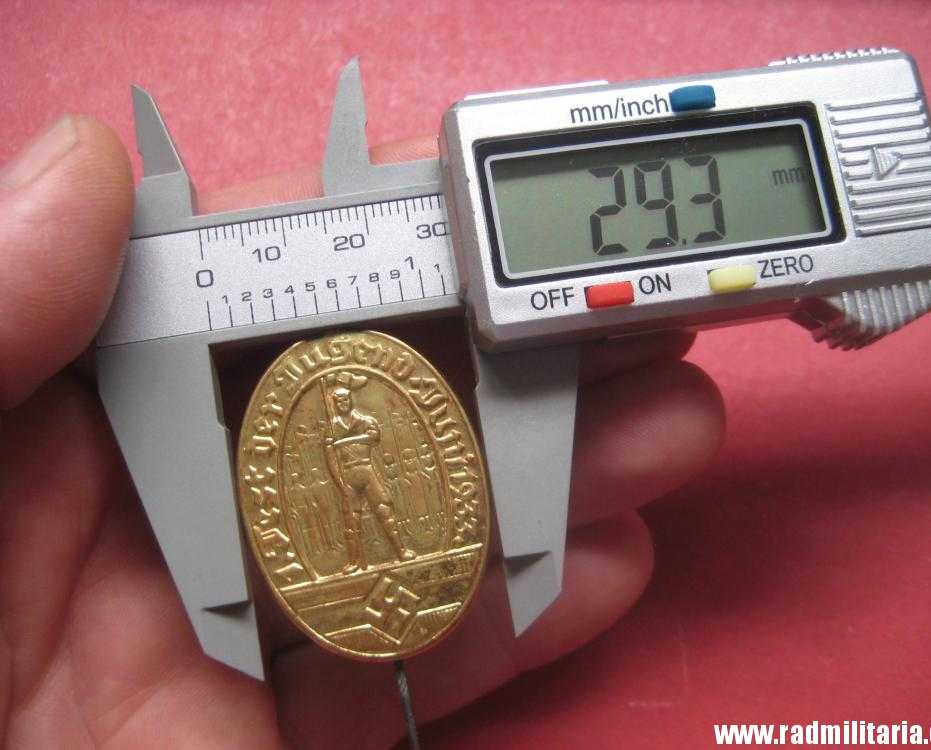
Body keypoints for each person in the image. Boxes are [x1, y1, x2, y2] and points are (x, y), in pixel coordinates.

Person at [0, 118, 723, 747]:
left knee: (377, 515)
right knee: (355, 525)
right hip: (339, 478)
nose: (344, 400)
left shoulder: (361, 421)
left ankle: (392, 553)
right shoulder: (156, 294)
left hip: (365, 475)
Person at [321, 375, 416, 571]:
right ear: (334, 404)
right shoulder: (331, 428)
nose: (343, 404)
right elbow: (331, 459)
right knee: (351, 520)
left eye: (346, 399)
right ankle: (354, 562)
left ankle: (401, 551)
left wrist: (343, 442)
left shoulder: (366, 421)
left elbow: (373, 438)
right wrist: (339, 482)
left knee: (384, 509)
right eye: (339, 401)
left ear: (351, 400)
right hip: (347, 476)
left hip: (367, 471)